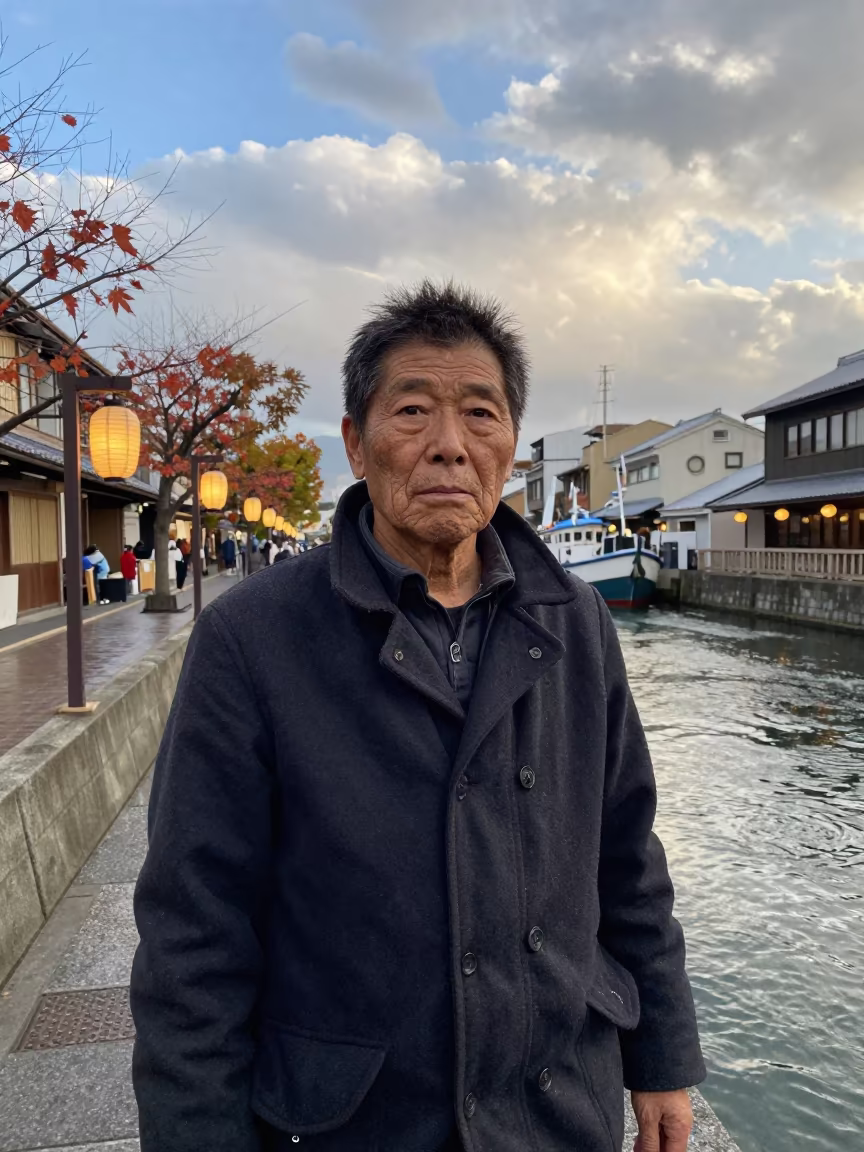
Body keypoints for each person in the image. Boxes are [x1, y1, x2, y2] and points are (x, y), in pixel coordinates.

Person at [132, 281, 705, 1152]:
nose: (449, 445)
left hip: (554, 1109)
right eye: (411, 411)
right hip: (352, 1120)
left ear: (509, 443)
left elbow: (627, 855)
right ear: (356, 444)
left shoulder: (575, 620)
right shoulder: (254, 637)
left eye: (480, 413)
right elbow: (193, 926)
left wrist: (661, 1053)